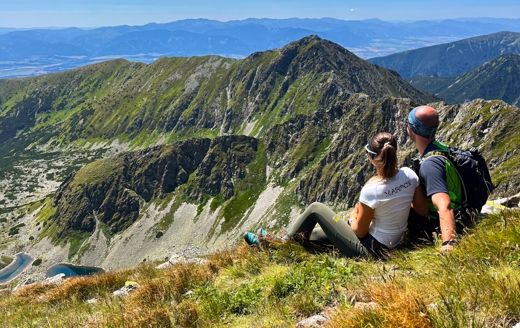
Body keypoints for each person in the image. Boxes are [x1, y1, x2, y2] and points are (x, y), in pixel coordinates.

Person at [246, 132, 427, 259]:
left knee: (316, 208)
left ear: (372, 158)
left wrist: (356, 215)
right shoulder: (409, 175)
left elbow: (358, 231)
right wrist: (393, 209)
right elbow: (421, 209)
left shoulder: (372, 190)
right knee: (315, 235)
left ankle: (282, 245)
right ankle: (269, 243)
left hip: (372, 251)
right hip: (391, 243)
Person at [406, 105, 483, 252]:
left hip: (442, 222)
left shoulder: (430, 165)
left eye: (407, 123)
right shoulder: (440, 147)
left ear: (413, 129)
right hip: (464, 208)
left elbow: (443, 205)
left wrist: (449, 242)